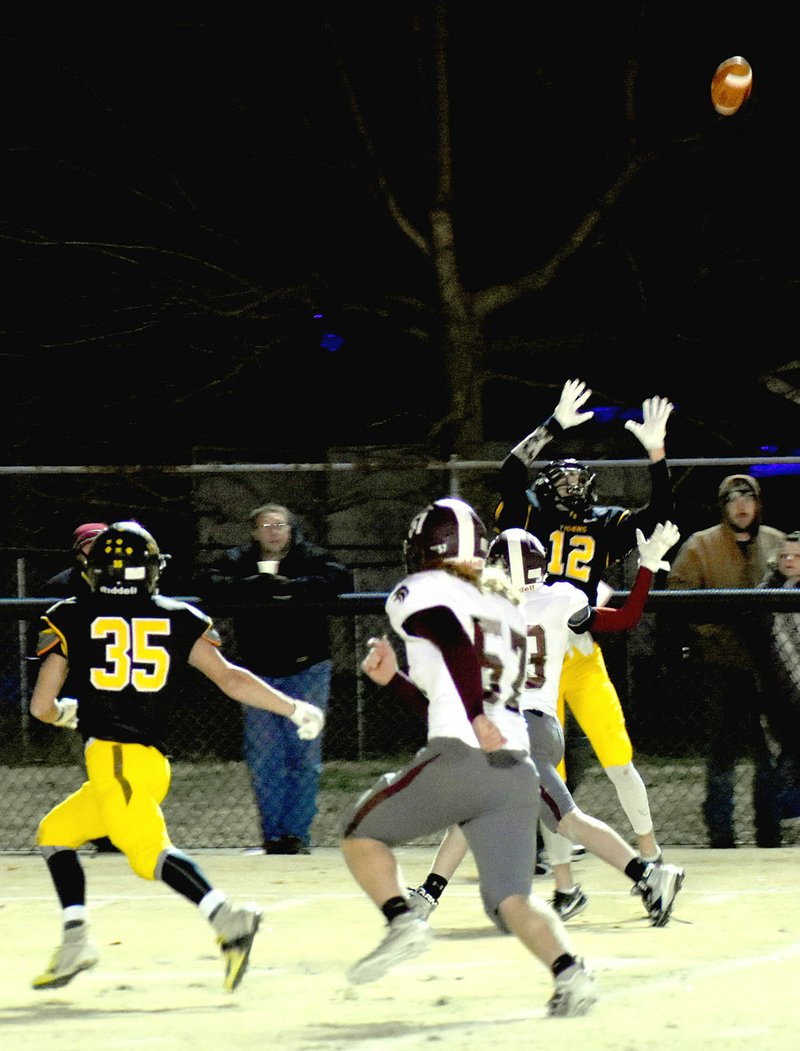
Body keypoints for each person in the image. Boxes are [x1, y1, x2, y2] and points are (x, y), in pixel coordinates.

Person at [30, 520, 325, 992]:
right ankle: (76, 939)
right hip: (146, 764)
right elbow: (231, 679)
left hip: (116, 762)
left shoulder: (70, 614)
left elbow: (41, 707)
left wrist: (70, 713)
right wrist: (292, 707)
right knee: (56, 833)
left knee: (148, 853)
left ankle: (229, 918)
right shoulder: (176, 615)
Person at [340, 497, 598, 1018]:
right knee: (513, 900)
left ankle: (402, 920)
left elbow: (452, 640)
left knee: (359, 834)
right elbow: (446, 695)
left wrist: (477, 715)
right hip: (516, 767)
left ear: (424, 546)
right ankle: (572, 976)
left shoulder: (422, 590)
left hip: (465, 754)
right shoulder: (503, 603)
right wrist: (394, 682)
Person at [407, 523, 685, 926]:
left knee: (567, 819)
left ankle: (650, 876)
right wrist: (646, 568)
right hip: (536, 727)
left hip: (520, 732)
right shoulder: (560, 599)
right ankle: (428, 895)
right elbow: (626, 617)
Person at [493, 379, 674, 865]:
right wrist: (550, 427)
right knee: (544, 766)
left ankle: (647, 851)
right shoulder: (529, 515)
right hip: (535, 655)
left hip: (577, 644)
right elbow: (510, 474)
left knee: (617, 757)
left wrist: (657, 455)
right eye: (562, 480)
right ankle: (554, 867)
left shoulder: (604, 521)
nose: (571, 487)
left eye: (579, 481)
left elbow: (658, 514)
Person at [197, 503, 353, 855]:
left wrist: (291, 586)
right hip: (257, 673)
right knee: (265, 757)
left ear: (291, 528)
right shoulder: (238, 560)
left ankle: (296, 835)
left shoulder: (310, 556)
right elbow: (205, 583)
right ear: (254, 532)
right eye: (265, 525)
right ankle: (273, 837)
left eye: (280, 524)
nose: (273, 531)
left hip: (307, 668)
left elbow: (340, 578)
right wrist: (254, 585)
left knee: (304, 755)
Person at [666, 475, 786, 847]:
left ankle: (770, 833)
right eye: (733, 500)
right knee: (722, 759)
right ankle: (721, 836)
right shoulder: (701, 545)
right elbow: (678, 596)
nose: (741, 506)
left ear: (758, 503)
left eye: (747, 498)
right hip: (722, 666)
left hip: (773, 670)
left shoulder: (777, 541)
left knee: (770, 758)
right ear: (723, 506)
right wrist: (714, 630)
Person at [36, 522, 120, 855]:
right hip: (76, 688)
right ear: (78, 551)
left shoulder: (123, 582)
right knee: (93, 763)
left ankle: (118, 826)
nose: (97, 551)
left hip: (116, 685)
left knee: (120, 762)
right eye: (90, 545)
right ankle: (103, 832)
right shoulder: (61, 587)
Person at [755, 532, 800, 818]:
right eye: (784, 556)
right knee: (787, 753)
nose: (789, 561)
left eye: (796, 556)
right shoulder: (768, 591)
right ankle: (778, 813)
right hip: (781, 693)